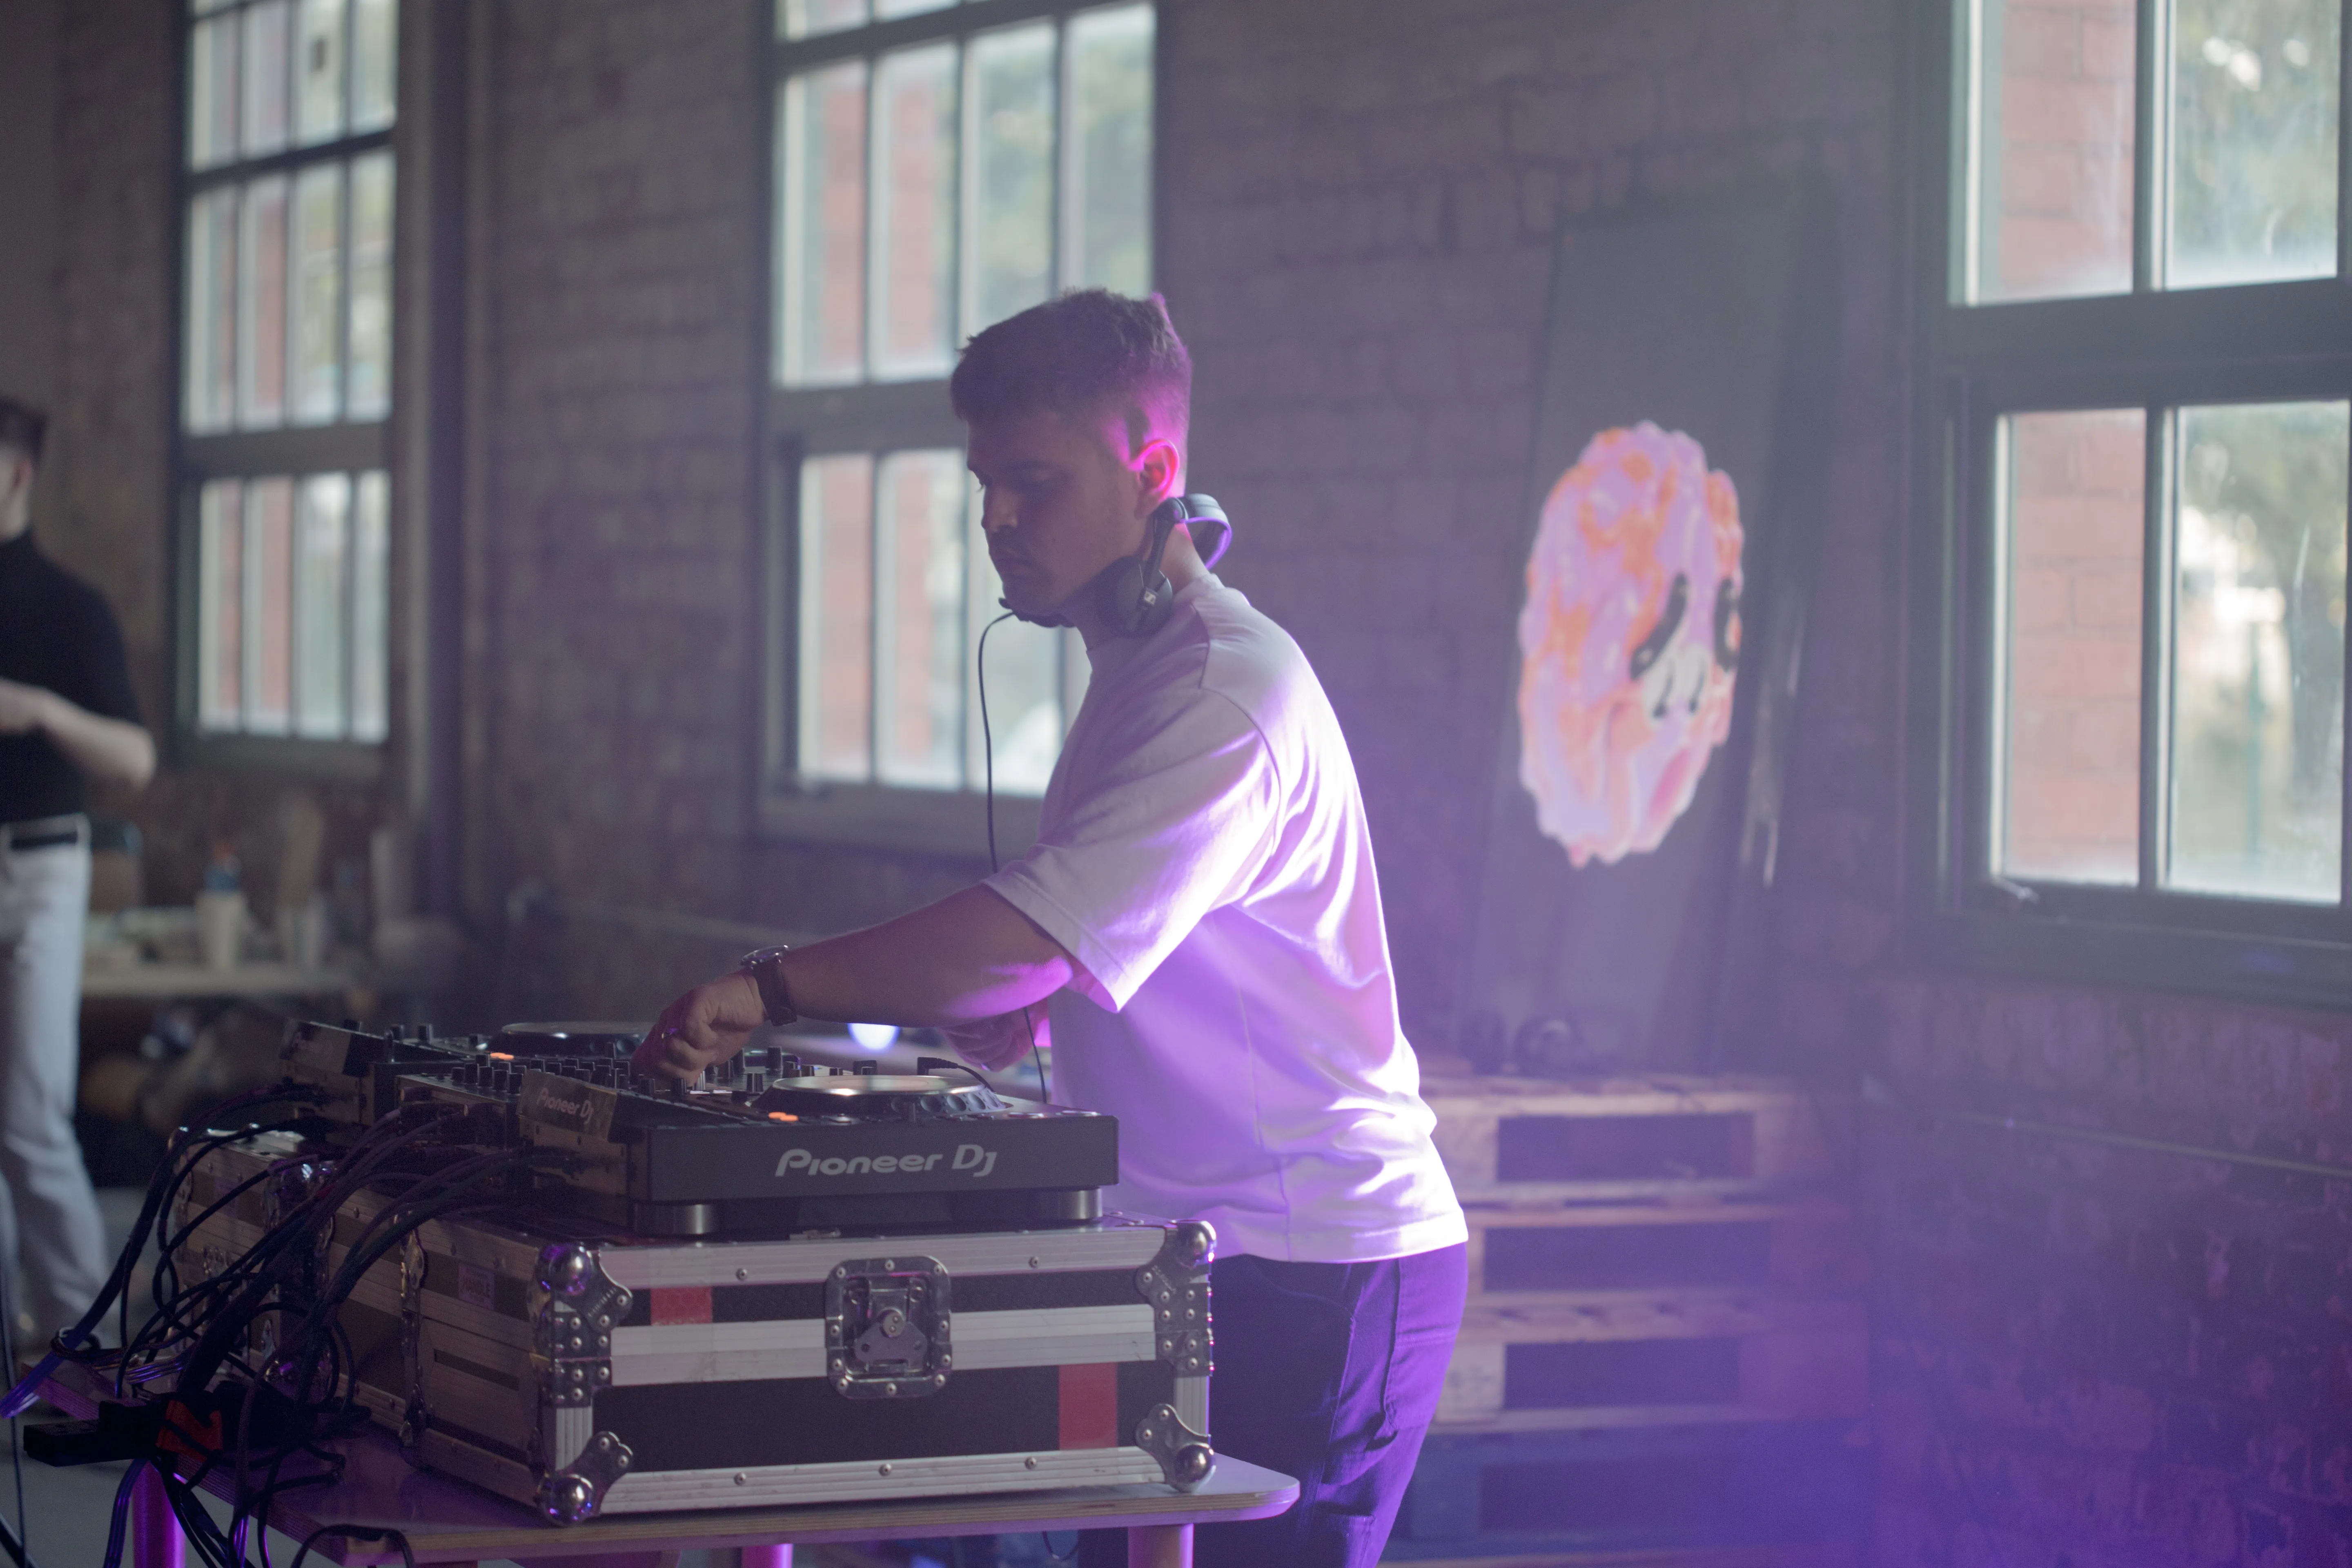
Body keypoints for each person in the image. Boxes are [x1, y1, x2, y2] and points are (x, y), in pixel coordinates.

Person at [634, 291, 1466, 1568]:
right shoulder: (1138, 673)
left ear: (1155, 474)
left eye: (1035, 481)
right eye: (985, 485)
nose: (997, 521)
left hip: (1309, 1262)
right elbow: (1101, 949)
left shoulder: (1220, 690)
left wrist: (773, 989)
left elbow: (1034, 936)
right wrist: (1035, 1004)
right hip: (1201, 1255)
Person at [0, 393, 154, 1350]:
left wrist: (38, 712)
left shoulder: (69, 607)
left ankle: (79, 1343)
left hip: (40, 873)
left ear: (17, 475)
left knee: (30, 1110)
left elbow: (134, 760)